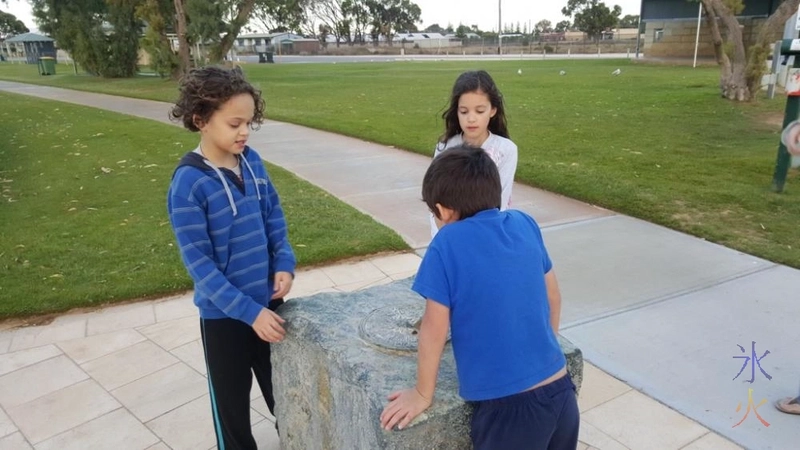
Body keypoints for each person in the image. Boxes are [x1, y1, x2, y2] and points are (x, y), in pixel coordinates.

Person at [381, 146, 578, 450]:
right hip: (561, 390)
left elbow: (433, 331)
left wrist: (422, 394)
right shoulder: (525, 223)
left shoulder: (446, 244)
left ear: (442, 210)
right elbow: (554, 297)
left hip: (509, 411)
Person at [167, 65, 295, 449]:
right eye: (234, 123)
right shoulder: (188, 184)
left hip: (269, 306)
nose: (244, 132)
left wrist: (284, 262)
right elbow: (200, 267)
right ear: (201, 120)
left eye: (249, 124)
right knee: (232, 410)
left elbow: (273, 214)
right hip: (224, 319)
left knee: (285, 395)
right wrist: (248, 312)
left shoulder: (252, 161)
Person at [429, 70, 518, 237]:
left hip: (488, 234)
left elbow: (501, 203)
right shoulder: (445, 147)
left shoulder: (506, 150)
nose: (471, 119)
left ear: (493, 110)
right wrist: (441, 239)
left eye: (479, 111)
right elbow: (436, 200)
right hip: (449, 234)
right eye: (464, 111)